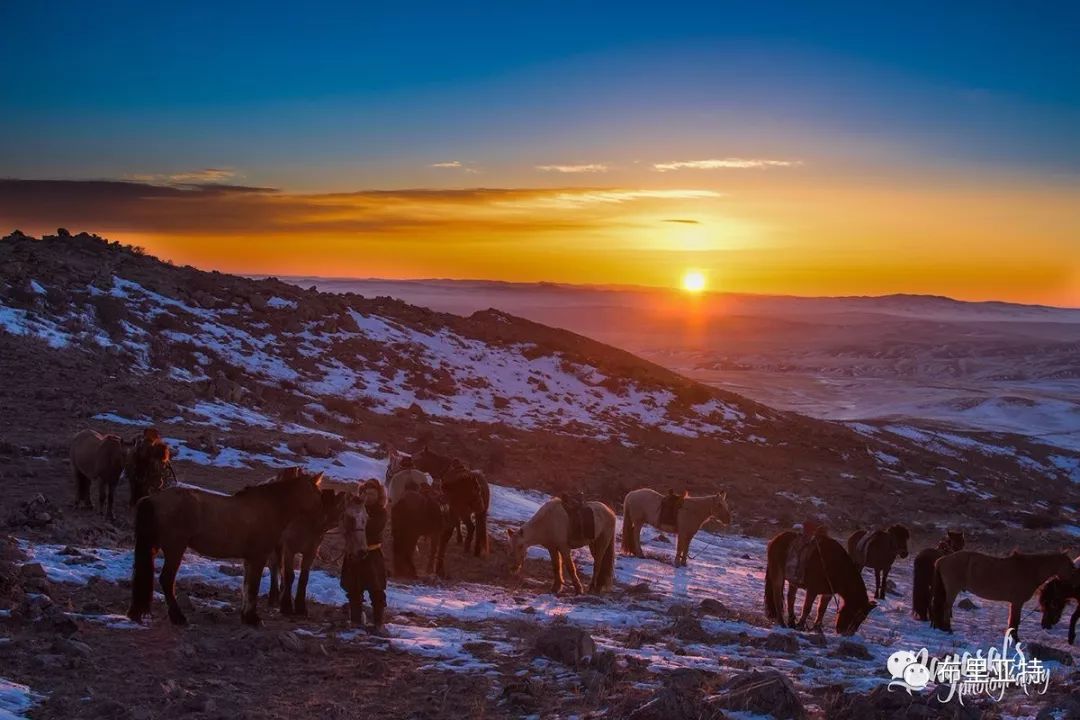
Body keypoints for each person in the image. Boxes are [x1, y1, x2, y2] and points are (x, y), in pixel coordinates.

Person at [340, 479, 389, 635]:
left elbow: (374, 528)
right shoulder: (353, 508)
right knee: (354, 590)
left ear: (378, 495)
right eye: (365, 493)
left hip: (372, 554)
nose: (368, 496)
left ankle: (378, 624)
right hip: (354, 554)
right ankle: (355, 622)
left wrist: (358, 520)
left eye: (372, 493)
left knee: (376, 590)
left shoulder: (381, 512)